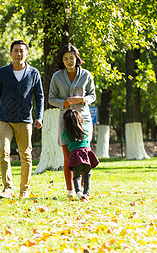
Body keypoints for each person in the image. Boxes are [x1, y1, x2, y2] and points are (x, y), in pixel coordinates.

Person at [0, 40, 44, 199]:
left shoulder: (34, 73)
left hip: (25, 120)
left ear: (26, 53)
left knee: (26, 155)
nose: (18, 54)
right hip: (4, 119)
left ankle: (24, 190)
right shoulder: (2, 72)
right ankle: (8, 188)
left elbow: (39, 96)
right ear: (11, 53)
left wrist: (39, 116)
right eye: (16, 51)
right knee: (3, 151)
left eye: (22, 51)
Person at [48, 44, 96, 198]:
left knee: (82, 153)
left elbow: (92, 96)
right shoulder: (57, 77)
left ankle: (82, 190)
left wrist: (82, 99)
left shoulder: (86, 75)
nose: (69, 61)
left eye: (71, 58)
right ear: (62, 61)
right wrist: (65, 103)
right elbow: (51, 99)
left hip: (83, 119)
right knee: (68, 155)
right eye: (65, 59)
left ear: (77, 58)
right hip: (65, 119)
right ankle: (70, 190)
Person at [62, 109, 99, 201]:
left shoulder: (66, 132)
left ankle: (78, 192)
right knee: (87, 174)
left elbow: (63, 137)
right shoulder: (85, 129)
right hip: (86, 154)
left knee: (76, 176)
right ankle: (86, 193)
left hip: (75, 156)